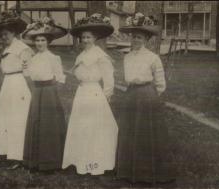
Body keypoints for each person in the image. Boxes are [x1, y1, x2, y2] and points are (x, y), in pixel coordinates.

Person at [116, 12, 175, 185]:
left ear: (146, 39)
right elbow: (127, 77)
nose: (136, 40)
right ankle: (128, 170)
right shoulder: (127, 56)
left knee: (146, 133)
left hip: (147, 95)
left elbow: (160, 82)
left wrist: (152, 96)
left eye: (140, 37)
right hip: (131, 94)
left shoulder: (152, 57)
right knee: (130, 130)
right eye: (134, 37)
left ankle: (149, 171)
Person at [62, 13, 118, 175]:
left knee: (94, 127)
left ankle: (96, 162)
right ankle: (82, 160)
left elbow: (108, 79)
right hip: (82, 92)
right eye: (83, 37)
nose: (85, 40)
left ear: (95, 38)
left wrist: (107, 96)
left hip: (94, 93)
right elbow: (76, 73)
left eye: (88, 37)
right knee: (82, 126)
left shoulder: (100, 55)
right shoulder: (81, 55)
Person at [0, 11, 34, 169]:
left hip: (18, 85)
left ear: (14, 33)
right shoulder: (6, 48)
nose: (4, 37)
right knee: (5, 117)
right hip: (7, 84)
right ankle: (6, 151)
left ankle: (18, 155)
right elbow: (4, 68)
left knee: (17, 119)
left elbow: (28, 70)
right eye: (2, 35)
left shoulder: (23, 48)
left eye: (6, 34)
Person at [21, 17, 67, 172]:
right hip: (37, 92)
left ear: (48, 42)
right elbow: (29, 75)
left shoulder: (54, 58)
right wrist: (25, 66)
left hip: (49, 93)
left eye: (43, 40)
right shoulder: (33, 58)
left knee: (49, 125)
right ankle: (35, 160)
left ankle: (50, 161)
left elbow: (60, 77)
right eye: (37, 40)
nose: (40, 43)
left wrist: (54, 94)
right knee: (36, 122)